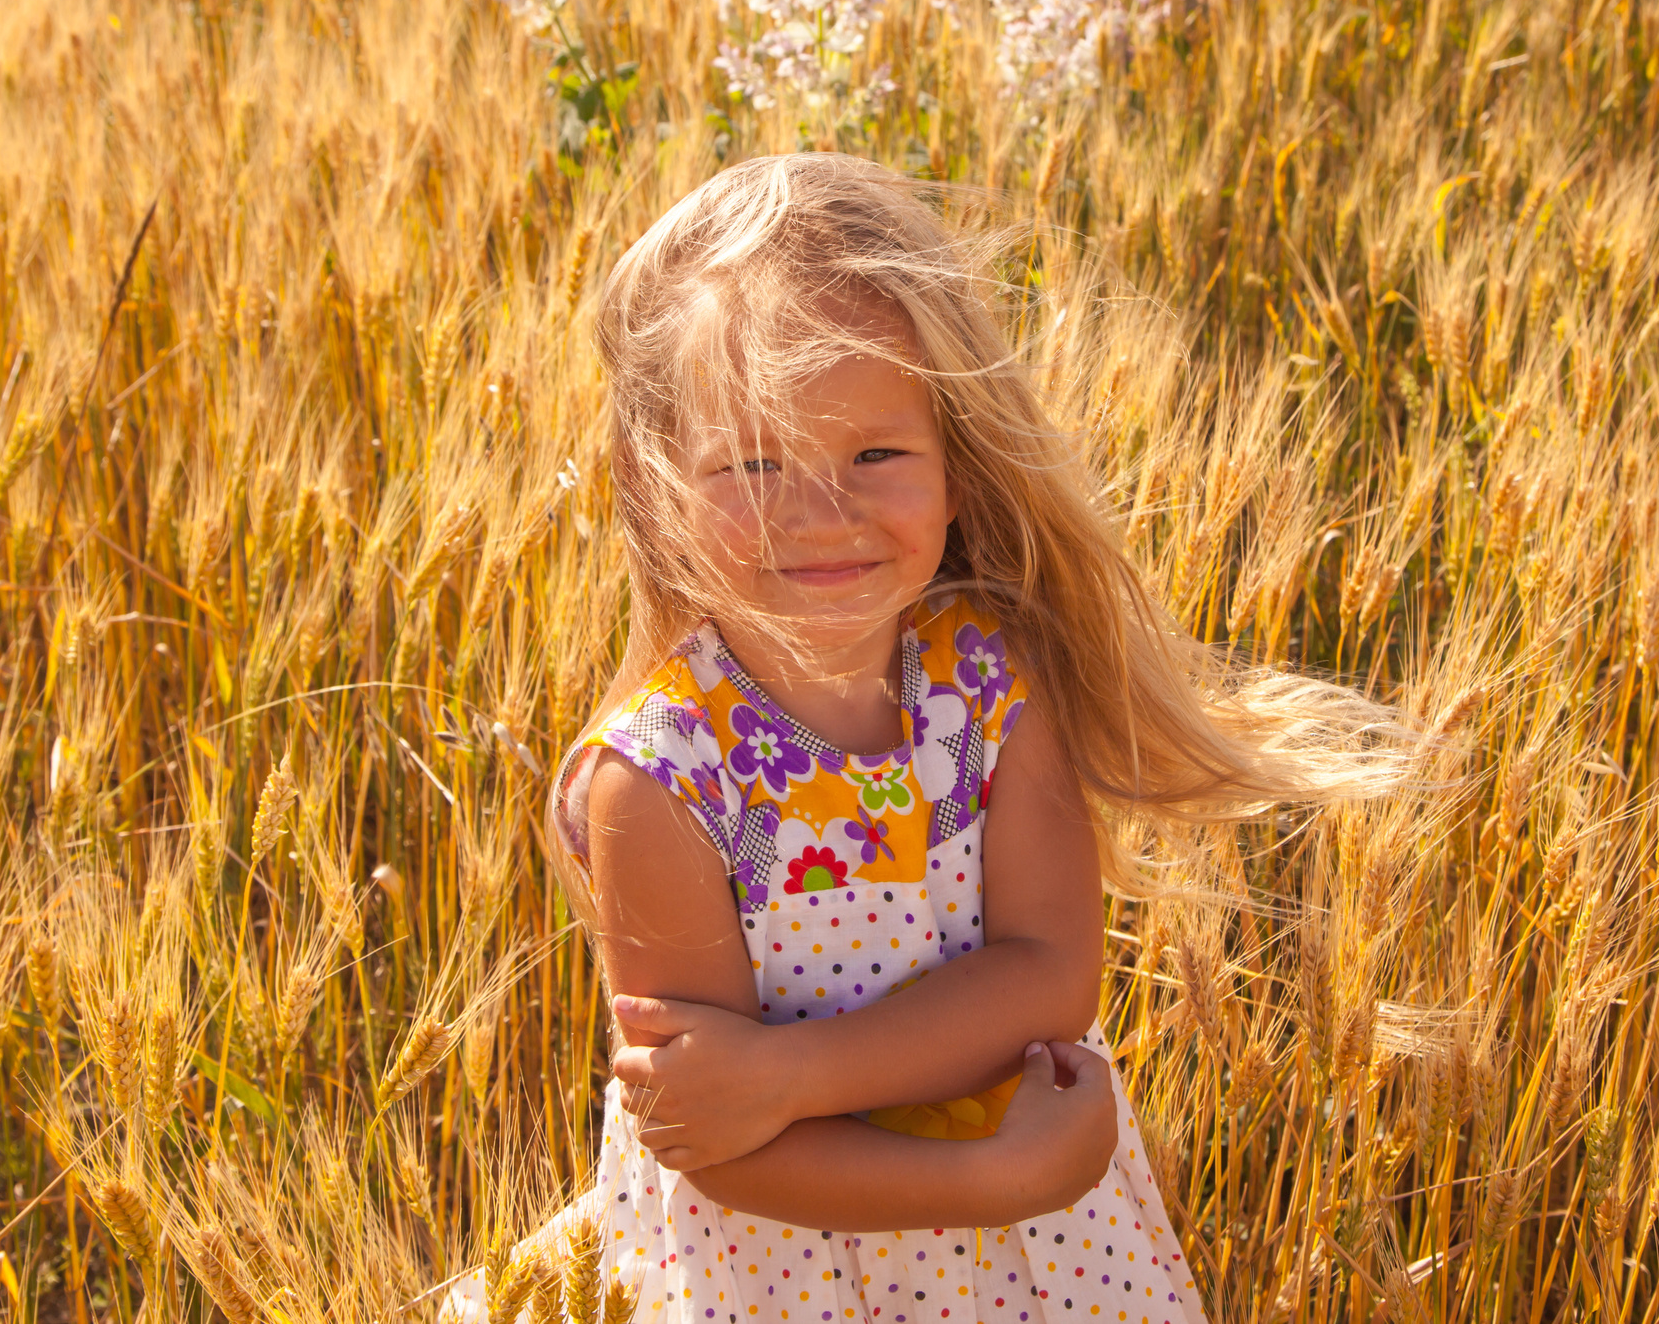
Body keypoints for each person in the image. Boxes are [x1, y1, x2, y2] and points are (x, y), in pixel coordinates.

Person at [542, 153, 1405, 1324]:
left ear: (958, 469)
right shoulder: (658, 783)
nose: (822, 511)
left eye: (875, 455)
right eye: (753, 462)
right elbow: (711, 1135)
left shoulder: (990, 681)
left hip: (1038, 1260)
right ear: (658, 494)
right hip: (788, 1273)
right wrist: (990, 1183)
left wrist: (792, 1076)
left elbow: (1048, 973)